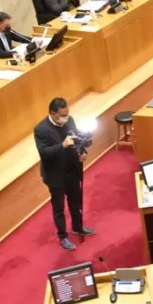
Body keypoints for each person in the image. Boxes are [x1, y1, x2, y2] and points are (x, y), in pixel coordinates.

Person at [35, 97, 95, 251]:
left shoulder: (70, 121)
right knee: (59, 208)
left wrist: (82, 152)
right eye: (62, 114)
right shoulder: (41, 129)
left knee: (76, 201)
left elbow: (76, 140)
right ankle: (63, 236)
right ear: (53, 114)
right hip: (55, 175)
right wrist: (62, 145)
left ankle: (77, 226)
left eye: (67, 113)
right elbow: (44, 152)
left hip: (72, 170)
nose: (66, 117)